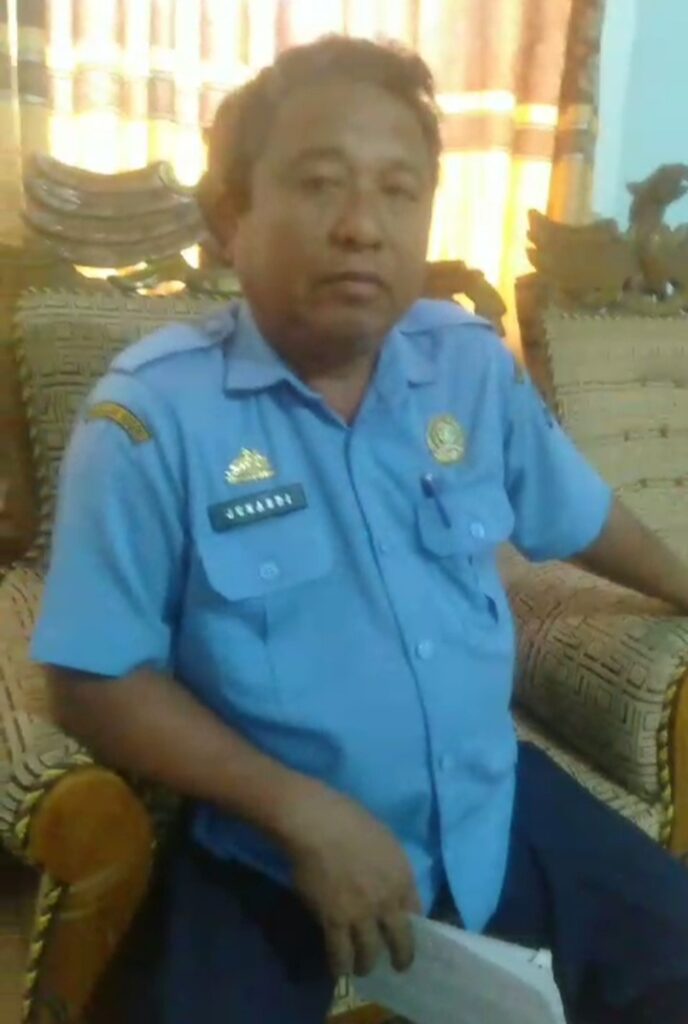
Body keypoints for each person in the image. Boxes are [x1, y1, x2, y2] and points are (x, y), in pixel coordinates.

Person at [32, 35, 688, 1024]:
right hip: (264, 851)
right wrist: (297, 811)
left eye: (398, 190)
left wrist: (684, 582)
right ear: (231, 217)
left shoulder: (469, 367)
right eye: (320, 184)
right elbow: (91, 677)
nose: (362, 228)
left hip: (491, 803)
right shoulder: (150, 417)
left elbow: (580, 511)